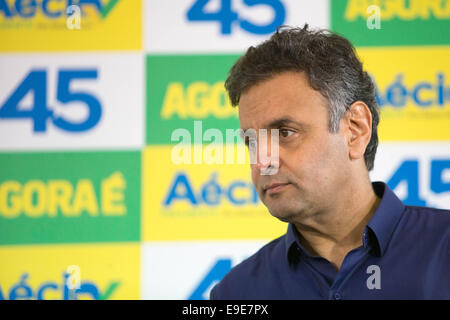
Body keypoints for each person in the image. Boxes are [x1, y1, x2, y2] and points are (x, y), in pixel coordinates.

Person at [209, 25, 450, 300]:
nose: (263, 161)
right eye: (252, 141)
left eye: (285, 133)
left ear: (355, 129)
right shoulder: (236, 293)